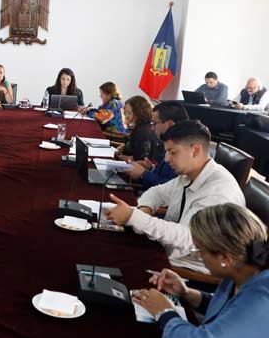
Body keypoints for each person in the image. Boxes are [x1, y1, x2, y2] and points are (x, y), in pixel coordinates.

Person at [132, 204, 269, 338]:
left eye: (200, 251)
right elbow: (232, 309)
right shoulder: (244, 267)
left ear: (225, 257)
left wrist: (164, 312)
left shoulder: (263, 299)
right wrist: (187, 293)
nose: (198, 256)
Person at [105, 120, 245, 273]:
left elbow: (187, 238)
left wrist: (134, 216)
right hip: (168, 250)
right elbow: (157, 192)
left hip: (186, 268)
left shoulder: (219, 192)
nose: (166, 159)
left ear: (196, 150)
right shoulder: (188, 174)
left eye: (173, 152)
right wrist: (144, 209)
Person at [124, 101, 189, 189]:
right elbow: (165, 175)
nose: (152, 128)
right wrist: (151, 168)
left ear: (169, 124)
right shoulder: (169, 141)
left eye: (154, 123)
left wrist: (144, 174)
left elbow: (174, 188)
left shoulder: (185, 149)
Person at [117, 95, 162, 162]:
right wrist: (124, 147)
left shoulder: (141, 132)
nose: (126, 116)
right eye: (125, 112)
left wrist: (121, 157)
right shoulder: (144, 126)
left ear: (138, 113)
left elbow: (140, 160)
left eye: (129, 112)